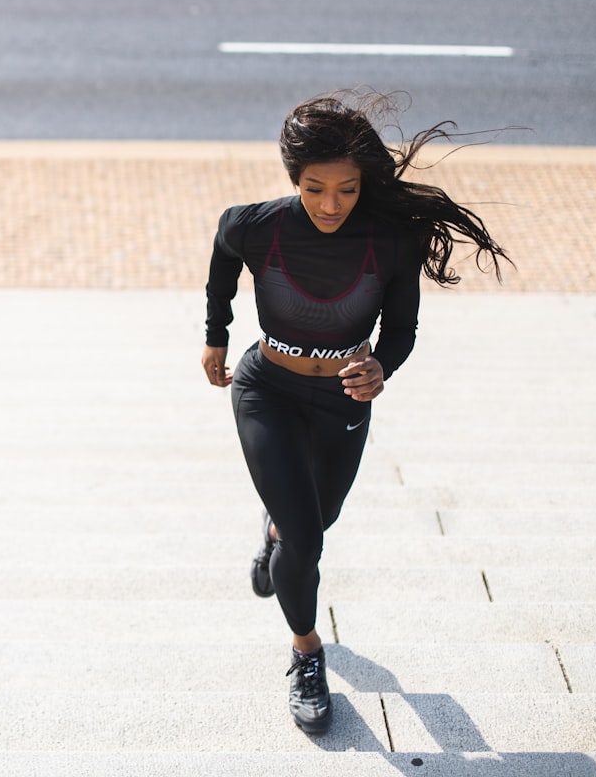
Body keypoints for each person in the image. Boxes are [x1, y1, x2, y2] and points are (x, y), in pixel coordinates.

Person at [200, 90, 511, 734]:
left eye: (346, 189)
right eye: (315, 189)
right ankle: (307, 653)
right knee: (307, 538)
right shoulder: (255, 225)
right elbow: (223, 258)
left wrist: (381, 367)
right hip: (267, 389)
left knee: (319, 519)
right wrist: (216, 334)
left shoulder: (390, 240)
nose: (331, 205)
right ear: (294, 180)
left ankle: (278, 531)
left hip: (341, 397)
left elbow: (400, 330)